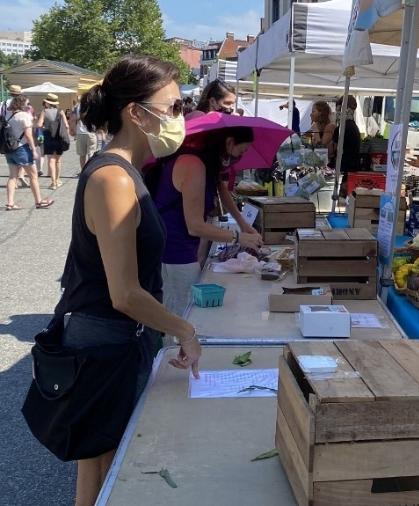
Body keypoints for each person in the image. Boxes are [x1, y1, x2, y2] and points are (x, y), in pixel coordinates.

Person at [56, 55, 201, 505]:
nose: (181, 118)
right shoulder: (113, 179)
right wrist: (184, 329)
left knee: (103, 467)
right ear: (136, 112)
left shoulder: (126, 172)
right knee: (108, 468)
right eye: (174, 108)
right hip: (104, 345)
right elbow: (124, 292)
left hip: (114, 341)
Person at [147, 126, 264, 316]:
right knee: (182, 315)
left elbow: (221, 189)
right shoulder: (193, 165)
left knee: (183, 311)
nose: (241, 157)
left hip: (179, 247)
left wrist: (243, 224)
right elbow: (194, 226)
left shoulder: (205, 163)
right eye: (242, 151)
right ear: (228, 143)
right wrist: (237, 237)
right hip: (174, 251)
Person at [4, 95, 53, 210]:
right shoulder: (24, 116)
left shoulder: (10, 116)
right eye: (27, 103)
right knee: (33, 176)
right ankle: (39, 201)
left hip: (10, 149)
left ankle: (10, 203)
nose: (29, 105)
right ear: (22, 104)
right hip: (22, 149)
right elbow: (28, 134)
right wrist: (34, 149)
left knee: (12, 177)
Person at [37, 93, 70, 189]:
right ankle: (58, 179)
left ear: (48, 103)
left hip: (48, 137)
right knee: (58, 160)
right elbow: (66, 125)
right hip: (59, 138)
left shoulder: (44, 111)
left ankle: (53, 182)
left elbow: (39, 125)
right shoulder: (61, 111)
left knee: (51, 159)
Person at [73, 99, 98, 170]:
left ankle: (83, 170)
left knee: (82, 155)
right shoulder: (93, 105)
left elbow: (73, 119)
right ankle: (90, 170)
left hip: (80, 133)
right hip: (91, 132)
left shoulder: (76, 107)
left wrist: (73, 131)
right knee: (91, 153)